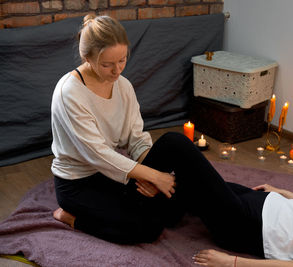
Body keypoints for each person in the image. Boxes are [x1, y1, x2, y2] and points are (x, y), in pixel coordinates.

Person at [51, 14, 269, 251]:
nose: (117, 71)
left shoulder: (123, 86)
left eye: (122, 60)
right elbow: (97, 155)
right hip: (78, 184)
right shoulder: (69, 93)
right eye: (107, 64)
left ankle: (238, 202)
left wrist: (151, 175)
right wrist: (154, 176)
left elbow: (136, 139)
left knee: (174, 149)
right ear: (87, 57)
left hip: (115, 173)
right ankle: (71, 218)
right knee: (146, 228)